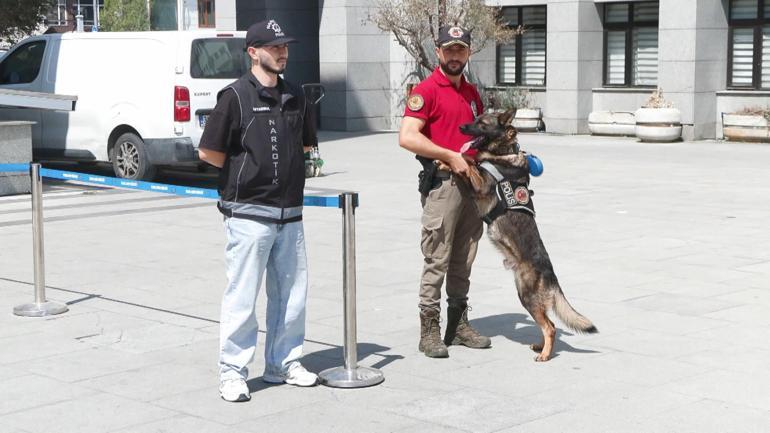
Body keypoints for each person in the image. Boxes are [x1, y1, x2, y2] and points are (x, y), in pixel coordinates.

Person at [198, 19, 319, 402]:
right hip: (249, 215)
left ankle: (282, 363)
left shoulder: (296, 95)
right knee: (242, 297)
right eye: (274, 46)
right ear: (253, 52)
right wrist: (249, 174)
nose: (283, 52)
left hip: (290, 215)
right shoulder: (233, 96)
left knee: (291, 295)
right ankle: (232, 372)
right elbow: (209, 152)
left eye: (285, 45)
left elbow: (306, 146)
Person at [398, 25, 492, 358]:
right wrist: (448, 155)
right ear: (438, 52)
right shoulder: (426, 91)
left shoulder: (471, 92)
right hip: (443, 185)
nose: (455, 56)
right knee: (437, 256)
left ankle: (458, 324)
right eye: (448, 50)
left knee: (464, 257)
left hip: (472, 185)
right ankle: (429, 331)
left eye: (460, 50)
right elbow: (407, 136)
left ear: (468, 53)